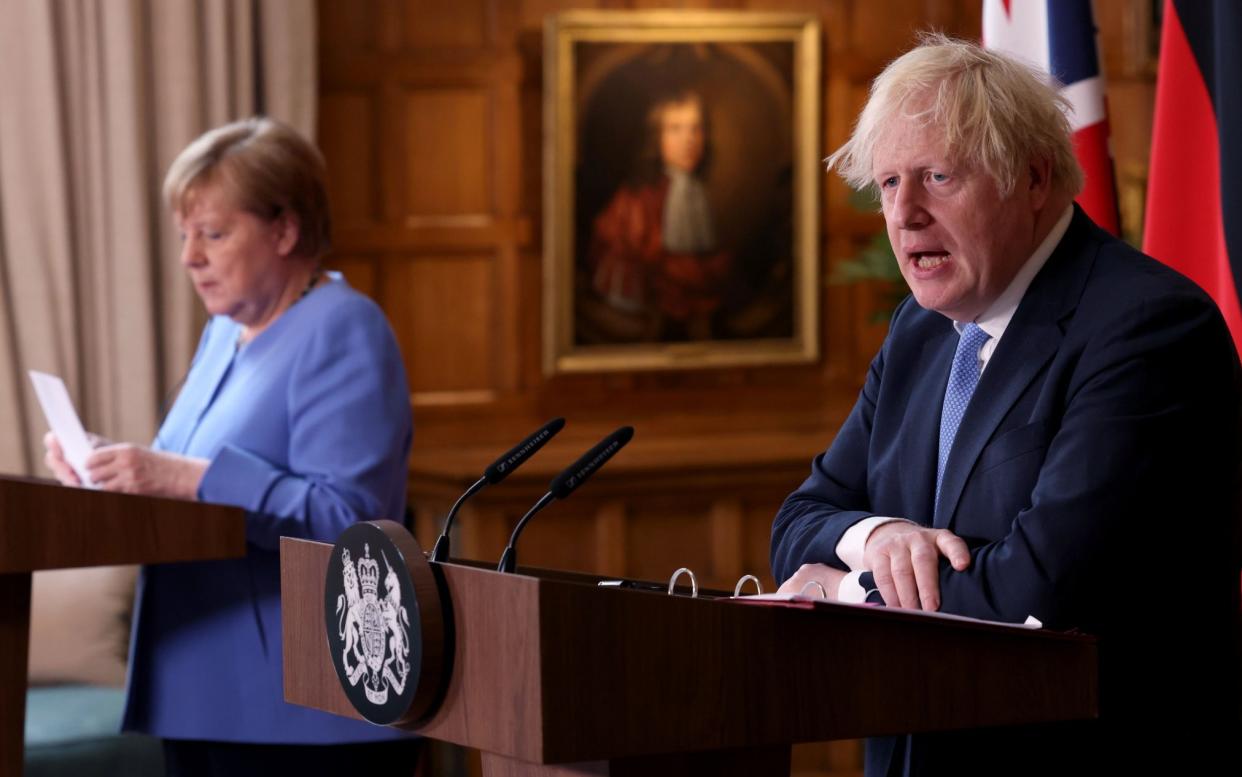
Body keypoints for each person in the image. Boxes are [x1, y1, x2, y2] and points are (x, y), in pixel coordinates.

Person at [769, 35, 1240, 776]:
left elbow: (1037, 595)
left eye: (937, 176)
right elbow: (798, 523)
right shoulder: (920, 332)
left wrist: (847, 590)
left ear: (1033, 176)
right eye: (889, 183)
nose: (905, 214)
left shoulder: (1146, 327)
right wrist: (880, 536)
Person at [44, 117, 417, 776]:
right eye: (185, 234)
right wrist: (107, 465)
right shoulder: (223, 334)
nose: (191, 256)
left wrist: (190, 477)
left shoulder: (344, 327)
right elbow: (182, 480)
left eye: (213, 234)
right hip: (194, 684)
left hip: (298, 711)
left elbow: (352, 524)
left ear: (285, 230)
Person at [587, 89, 731, 341]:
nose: (689, 139)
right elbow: (646, 259)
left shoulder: (696, 191)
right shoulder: (635, 196)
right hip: (646, 297)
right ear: (656, 137)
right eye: (675, 129)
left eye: (696, 129)